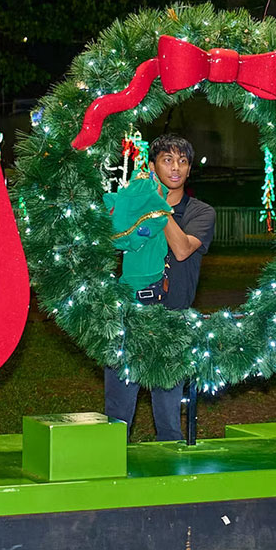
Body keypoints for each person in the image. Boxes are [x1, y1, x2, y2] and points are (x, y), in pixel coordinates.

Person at [105, 134, 215, 441]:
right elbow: (112, 239)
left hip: (173, 320)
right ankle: (112, 477)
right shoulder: (136, 201)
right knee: (117, 413)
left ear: (190, 169)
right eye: (167, 160)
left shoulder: (201, 212)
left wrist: (155, 207)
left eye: (183, 161)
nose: (176, 167)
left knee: (169, 418)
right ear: (152, 166)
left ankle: (171, 477)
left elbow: (181, 249)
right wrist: (138, 201)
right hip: (130, 317)